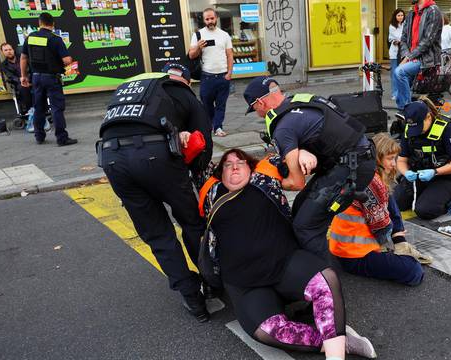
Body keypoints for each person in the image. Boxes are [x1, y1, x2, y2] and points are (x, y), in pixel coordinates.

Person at [198, 149, 377, 359]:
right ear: (220, 173)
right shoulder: (211, 193)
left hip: (284, 263)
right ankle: (340, 342)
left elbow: (287, 155)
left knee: (326, 281)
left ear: (251, 167)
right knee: (267, 331)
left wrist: (301, 154)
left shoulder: (264, 178)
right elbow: (193, 157)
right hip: (244, 282)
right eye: (227, 164)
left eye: (240, 162)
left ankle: (335, 353)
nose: (234, 166)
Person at [98, 64, 213, 322]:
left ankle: (192, 298)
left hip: (111, 158)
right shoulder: (180, 90)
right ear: (186, 82)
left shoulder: (130, 89)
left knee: (158, 234)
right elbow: (202, 139)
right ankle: (212, 280)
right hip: (155, 156)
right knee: (191, 222)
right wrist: (196, 173)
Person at [243, 76, 376, 261]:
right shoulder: (298, 102)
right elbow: (315, 133)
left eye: (254, 108)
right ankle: (307, 262)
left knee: (306, 226)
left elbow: (296, 182)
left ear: (260, 103)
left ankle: (327, 282)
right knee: (299, 208)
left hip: (353, 167)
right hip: (353, 157)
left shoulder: (283, 129)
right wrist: (303, 151)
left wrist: (267, 183)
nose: (257, 113)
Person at [329, 133, 429, 286]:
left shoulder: (361, 173)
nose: (394, 164)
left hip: (342, 248)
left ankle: (399, 240)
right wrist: (397, 243)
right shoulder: (373, 182)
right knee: (414, 271)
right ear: (377, 158)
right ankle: (400, 245)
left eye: (395, 158)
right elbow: (382, 231)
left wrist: (398, 238)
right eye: (390, 159)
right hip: (355, 256)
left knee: (390, 197)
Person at [394, 99, 451, 219]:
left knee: (424, 210)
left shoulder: (446, 128)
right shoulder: (409, 128)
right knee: (395, 203)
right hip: (419, 175)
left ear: (428, 117)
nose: (416, 132)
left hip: (444, 176)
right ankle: (427, 193)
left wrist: (435, 172)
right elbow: (401, 160)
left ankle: (448, 194)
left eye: (419, 127)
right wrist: (406, 173)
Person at [20, 12, 76, 146]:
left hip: (36, 77)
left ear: (39, 23)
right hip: (51, 78)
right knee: (57, 108)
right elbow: (66, 60)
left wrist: (23, 76)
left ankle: (39, 136)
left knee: (39, 107)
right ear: (53, 24)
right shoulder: (55, 39)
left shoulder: (30, 37)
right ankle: (61, 138)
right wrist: (69, 60)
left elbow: (23, 58)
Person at [188, 7, 233, 137]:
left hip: (223, 76)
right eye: (207, 19)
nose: (210, 21)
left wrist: (229, 73)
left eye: (212, 18)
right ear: (204, 20)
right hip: (207, 76)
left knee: (221, 104)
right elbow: (191, 55)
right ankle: (211, 124)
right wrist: (198, 47)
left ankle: (218, 127)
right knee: (206, 104)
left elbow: (230, 55)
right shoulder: (198, 35)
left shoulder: (224, 35)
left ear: (216, 18)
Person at [393, 0, 442, 110]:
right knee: (403, 85)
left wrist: (409, 57)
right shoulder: (411, 13)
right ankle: (407, 111)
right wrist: (407, 55)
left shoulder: (433, 11)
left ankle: (406, 109)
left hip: (426, 59)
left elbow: (428, 40)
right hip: (413, 57)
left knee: (399, 72)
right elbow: (404, 38)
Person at [0, 42, 33, 114]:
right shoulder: (4, 65)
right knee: (22, 87)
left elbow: (31, 69)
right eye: (6, 50)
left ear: (13, 50)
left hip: (30, 79)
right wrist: (20, 79)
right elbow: (10, 76)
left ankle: (42, 107)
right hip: (19, 83)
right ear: (2, 52)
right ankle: (31, 110)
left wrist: (28, 78)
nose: (9, 51)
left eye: (10, 49)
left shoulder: (23, 58)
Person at [388, 9, 405, 101]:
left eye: (402, 15)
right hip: (395, 53)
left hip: (404, 53)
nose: (400, 17)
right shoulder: (392, 26)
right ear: (395, 16)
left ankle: (402, 92)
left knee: (403, 73)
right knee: (394, 74)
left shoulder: (405, 24)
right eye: (398, 15)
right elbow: (397, 38)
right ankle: (394, 93)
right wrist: (401, 40)